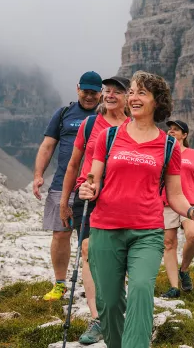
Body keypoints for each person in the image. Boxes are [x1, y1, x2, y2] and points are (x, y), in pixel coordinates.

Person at [79, 70, 194, 348]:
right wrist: (87, 189)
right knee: (109, 302)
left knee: (140, 290)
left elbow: (175, 195)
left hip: (147, 232)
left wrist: (191, 213)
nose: (134, 98)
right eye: (133, 92)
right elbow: (93, 178)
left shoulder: (169, 145)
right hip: (105, 228)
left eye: (142, 93)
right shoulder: (109, 137)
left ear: (156, 101)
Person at [59, 76, 130, 344]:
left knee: (117, 255)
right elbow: (73, 163)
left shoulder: (135, 127)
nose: (110, 95)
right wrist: (64, 202)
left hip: (121, 198)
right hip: (87, 196)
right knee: (88, 250)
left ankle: (116, 310)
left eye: (117, 91)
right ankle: (99, 318)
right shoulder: (90, 124)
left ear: (128, 97)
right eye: (107, 91)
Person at [32, 71, 102, 301]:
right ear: (77, 89)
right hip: (62, 185)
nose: (89, 96)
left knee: (95, 240)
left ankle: (98, 284)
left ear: (101, 93)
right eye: (86, 91)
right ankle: (60, 284)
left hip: (96, 188)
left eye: (94, 92)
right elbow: (47, 145)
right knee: (60, 235)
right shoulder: (63, 114)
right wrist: (38, 175)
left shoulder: (107, 116)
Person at [160, 120, 194, 298]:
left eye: (176, 130)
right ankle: (174, 287)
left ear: (185, 135)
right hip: (166, 203)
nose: (171, 132)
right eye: (170, 129)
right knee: (169, 244)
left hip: (189, 204)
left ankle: (183, 269)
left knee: (193, 236)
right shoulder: (163, 153)